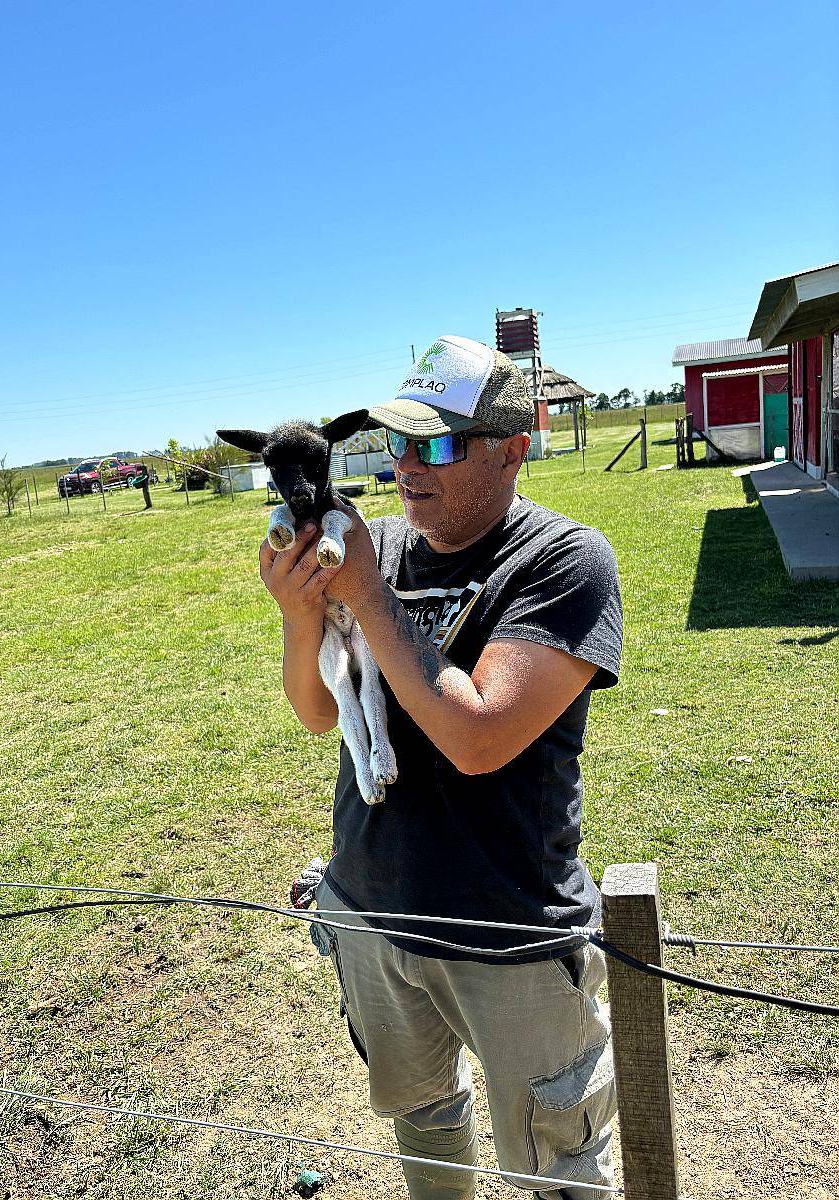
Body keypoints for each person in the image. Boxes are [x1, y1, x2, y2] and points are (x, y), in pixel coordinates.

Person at [259, 335, 622, 1200]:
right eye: (396, 441)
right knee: (424, 1124)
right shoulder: (373, 543)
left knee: (560, 1166)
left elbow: (479, 737)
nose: (405, 467)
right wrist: (299, 615)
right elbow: (318, 713)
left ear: (513, 449)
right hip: (373, 912)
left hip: (510, 931)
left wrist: (365, 595)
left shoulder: (562, 560)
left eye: (437, 445)